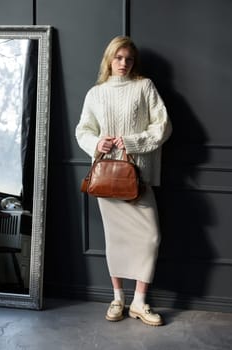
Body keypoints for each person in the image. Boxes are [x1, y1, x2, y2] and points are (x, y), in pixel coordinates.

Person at [75, 36, 172, 326]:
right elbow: (83, 129)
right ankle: (118, 298)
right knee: (114, 240)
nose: (123, 63)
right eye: (118, 58)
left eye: (128, 59)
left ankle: (139, 302)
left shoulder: (145, 87)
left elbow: (163, 125)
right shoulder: (96, 93)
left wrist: (132, 141)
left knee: (151, 237)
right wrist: (97, 143)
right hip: (106, 178)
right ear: (109, 59)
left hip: (138, 177)